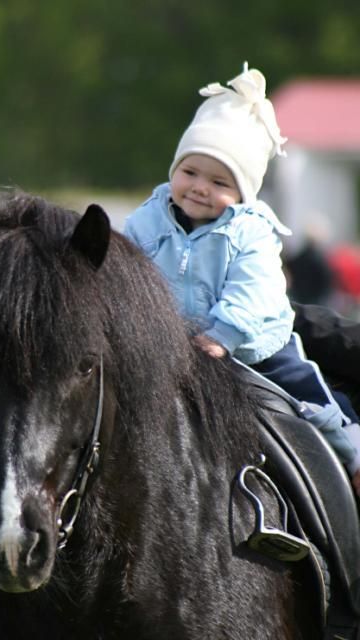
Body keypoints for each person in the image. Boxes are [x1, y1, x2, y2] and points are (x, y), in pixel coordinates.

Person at [123, 63, 360, 496]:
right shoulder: (146, 220)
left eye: (219, 182)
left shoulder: (251, 230)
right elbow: (124, 269)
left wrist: (224, 333)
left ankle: (353, 453)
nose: (199, 188)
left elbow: (255, 292)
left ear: (242, 193)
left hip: (252, 344)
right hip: (170, 347)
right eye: (189, 172)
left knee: (308, 400)